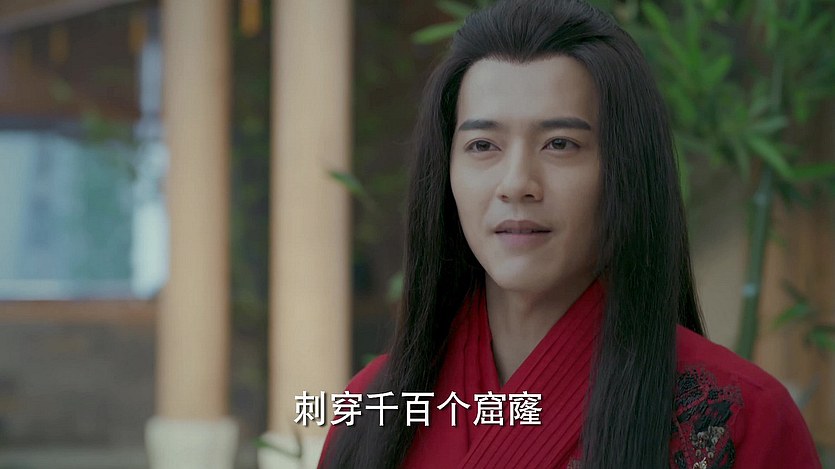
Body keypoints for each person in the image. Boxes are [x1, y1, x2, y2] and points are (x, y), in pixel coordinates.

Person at [319, 0, 821, 467]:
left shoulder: (740, 419)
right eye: (483, 145)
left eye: (560, 144)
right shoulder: (372, 412)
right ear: (444, 172)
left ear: (625, 171)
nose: (517, 183)